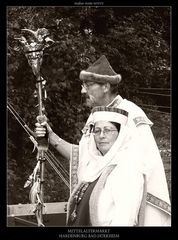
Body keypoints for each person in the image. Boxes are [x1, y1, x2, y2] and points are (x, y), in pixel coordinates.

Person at [35, 55, 171, 226]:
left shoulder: (132, 115)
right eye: (83, 86)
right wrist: (52, 137)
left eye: (88, 85)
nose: (83, 91)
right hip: (93, 209)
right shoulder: (96, 116)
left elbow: (140, 172)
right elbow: (85, 158)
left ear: (106, 86)